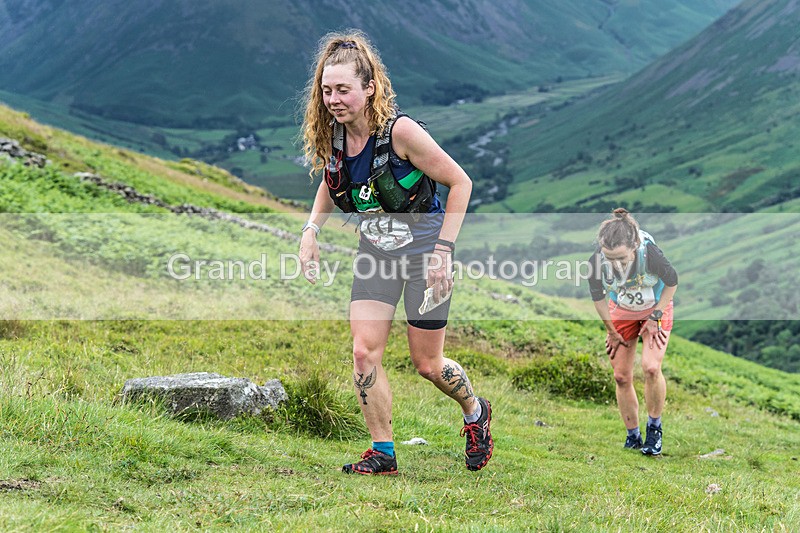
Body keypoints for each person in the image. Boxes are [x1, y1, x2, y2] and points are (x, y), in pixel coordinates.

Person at [298, 30, 493, 475]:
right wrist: (311, 229)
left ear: (370, 88)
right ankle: (383, 453)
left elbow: (461, 183)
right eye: (326, 90)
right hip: (376, 255)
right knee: (364, 353)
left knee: (428, 364)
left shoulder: (401, 133)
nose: (333, 99)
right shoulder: (332, 138)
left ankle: (475, 411)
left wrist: (444, 250)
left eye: (343, 89)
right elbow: (332, 186)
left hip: (427, 253)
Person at [588, 208, 678, 456]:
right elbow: (598, 297)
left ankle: (654, 430)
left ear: (634, 246)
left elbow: (672, 282)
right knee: (621, 375)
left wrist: (655, 316)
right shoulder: (596, 260)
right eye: (610, 258)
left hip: (656, 306)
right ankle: (633, 436)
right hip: (623, 309)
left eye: (621, 259)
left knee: (650, 367)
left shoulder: (649, 253)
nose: (615, 265)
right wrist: (611, 330)